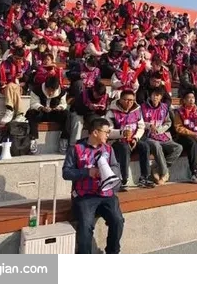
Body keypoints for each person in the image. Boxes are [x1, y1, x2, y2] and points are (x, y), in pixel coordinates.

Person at [62, 117, 125, 254]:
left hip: (106, 194)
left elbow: (115, 167)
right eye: (106, 132)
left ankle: (113, 252)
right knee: (85, 226)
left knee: (118, 220)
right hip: (85, 195)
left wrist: (109, 174)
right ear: (95, 132)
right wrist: (87, 172)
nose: (108, 135)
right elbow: (66, 173)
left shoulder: (109, 149)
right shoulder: (76, 149)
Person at [105, 89, 155, 189]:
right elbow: (108, 132)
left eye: (131, 100)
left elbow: (141, 127)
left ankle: (144, 178)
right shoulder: (111, 112)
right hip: (117, 141)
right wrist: (121, 133)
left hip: (133, 139)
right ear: (120, 99)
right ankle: (124, 180)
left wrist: (136, 138)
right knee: (124, 148)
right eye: (126, 100)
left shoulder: (137, 110)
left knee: (145, 146)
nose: (129, 103)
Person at [141, 87, 183, 185]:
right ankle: (164, 173)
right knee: (156, 145)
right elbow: (139, 122)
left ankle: (156, 168)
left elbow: (168, 122)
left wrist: (160, 130)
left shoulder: (164, 107)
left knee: (178, 148)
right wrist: (149, 126)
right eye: (153, 95)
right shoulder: (142, 107)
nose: (155, 97)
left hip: (161, 135)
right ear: (150, 95)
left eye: (157, 95)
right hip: (147, 136)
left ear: (161, 97)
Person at [26, 76, 68, 155]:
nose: (51, 93)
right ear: (45, 87)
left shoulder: (62, 92)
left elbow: (64, 104)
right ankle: (33, 140)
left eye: (53, 90)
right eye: (49, 90)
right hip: (41, 113)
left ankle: (64, 139)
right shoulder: (36, 90)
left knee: (66, 114)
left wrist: (59, 107)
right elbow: (33, 103)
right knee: (31, 113)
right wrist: (41, 107)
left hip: (54, 113)